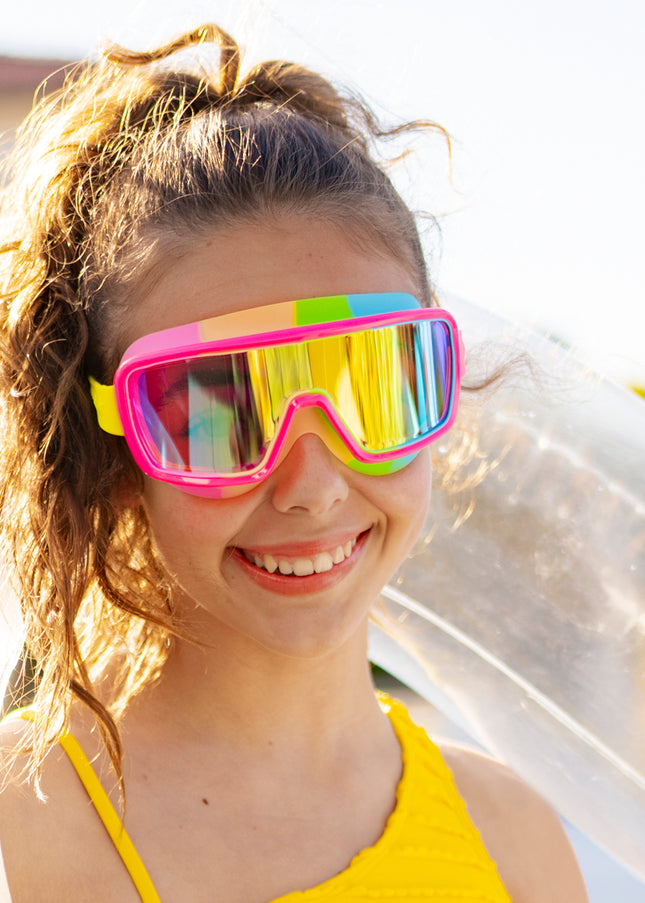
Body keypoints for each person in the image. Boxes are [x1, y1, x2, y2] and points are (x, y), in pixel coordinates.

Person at [0, 23, 588, 903]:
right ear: (112, 445)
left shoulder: (518, 844)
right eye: (213, 412)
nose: (311, 485)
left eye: (374, 385)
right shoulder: (26, 825)